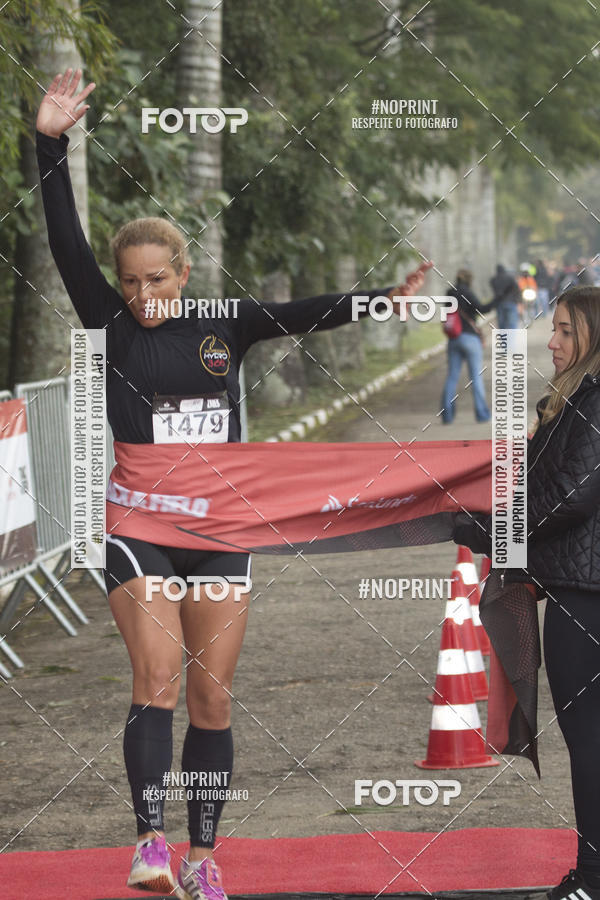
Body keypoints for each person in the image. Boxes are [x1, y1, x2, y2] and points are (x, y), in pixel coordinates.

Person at [35, 69, 431, 900]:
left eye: (157, 280)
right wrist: (51, 142)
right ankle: (150, 846)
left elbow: (312, 310)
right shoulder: (108, 321)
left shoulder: (225, 324)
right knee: (158, 684)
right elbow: (66, 236)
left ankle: (206, 857)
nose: (143, 297)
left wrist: (387, 303)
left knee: (212, 697)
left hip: (222, 530)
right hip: (139, 523)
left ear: (183, 273)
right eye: (131, 281)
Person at [453, 286, 600, 900]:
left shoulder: (592, 401)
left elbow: (572, 494)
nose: (554, 341)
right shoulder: (572, 400)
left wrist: (498, 529)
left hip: (584, 596)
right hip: (577, 587)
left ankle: (593, 879)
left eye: (565, 330)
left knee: (588, 740)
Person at [440, 269, 493, 424]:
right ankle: (482, 414)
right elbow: (482, 309)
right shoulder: (467, 293)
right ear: (470, 280)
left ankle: (447, 415)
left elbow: (446, 314)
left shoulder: (449, 293)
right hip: (470, 338)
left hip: (454, 338)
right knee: (476, 377)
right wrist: (497, 300)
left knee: (452, 377)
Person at [490, 263, 521, 330]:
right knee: (512, 323)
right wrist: (518, 300)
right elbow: (517, 289)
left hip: (499, 303)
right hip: (511, 302)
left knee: (501, 324)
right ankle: (512, 338)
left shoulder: (493, 279)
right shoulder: (510, 278)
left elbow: (495, 291)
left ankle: (503, 339)